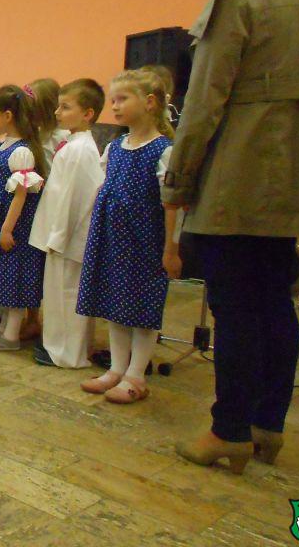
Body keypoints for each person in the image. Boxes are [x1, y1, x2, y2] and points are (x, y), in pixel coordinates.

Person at [164, 0, 299, 473]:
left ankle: (228, 429)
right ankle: (268, 424)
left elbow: (203, 101)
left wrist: (179, 180)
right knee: (276, 301)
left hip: (240, 170)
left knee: (234, 304)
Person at [77, 70, 180, 404]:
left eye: (122, 99)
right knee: (114, 303)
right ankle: (116, 368)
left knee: (142, 307)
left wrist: (171, 249)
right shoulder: (115, 147)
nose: (115, 106)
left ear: (149, 102)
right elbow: (103, 188)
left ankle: (136, 374)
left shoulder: (163, 150)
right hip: (112, 239)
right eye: (113, 100)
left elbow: (171, 205)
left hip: (144, 241)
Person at [29, 79, 105, 368]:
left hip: (67, 238)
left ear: (87, 113)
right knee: (58, 295)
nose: (57, 112)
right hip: (60, 234)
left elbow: (74, 198)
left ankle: (68, 353)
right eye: (58, 106)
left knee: (67, 294)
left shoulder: (80, 150)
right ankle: (57, 345)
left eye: (66, 107)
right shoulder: (73, 145)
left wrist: (58, 237)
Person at [0, 85, 48, 352]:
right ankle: (4, 326)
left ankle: (12, 335)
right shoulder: (7, 146)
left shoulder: (21, 151)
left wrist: (7, 228)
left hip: (12, 225)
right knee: (2, 275)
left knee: (13, 276)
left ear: (7, 116)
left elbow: (20, 194)